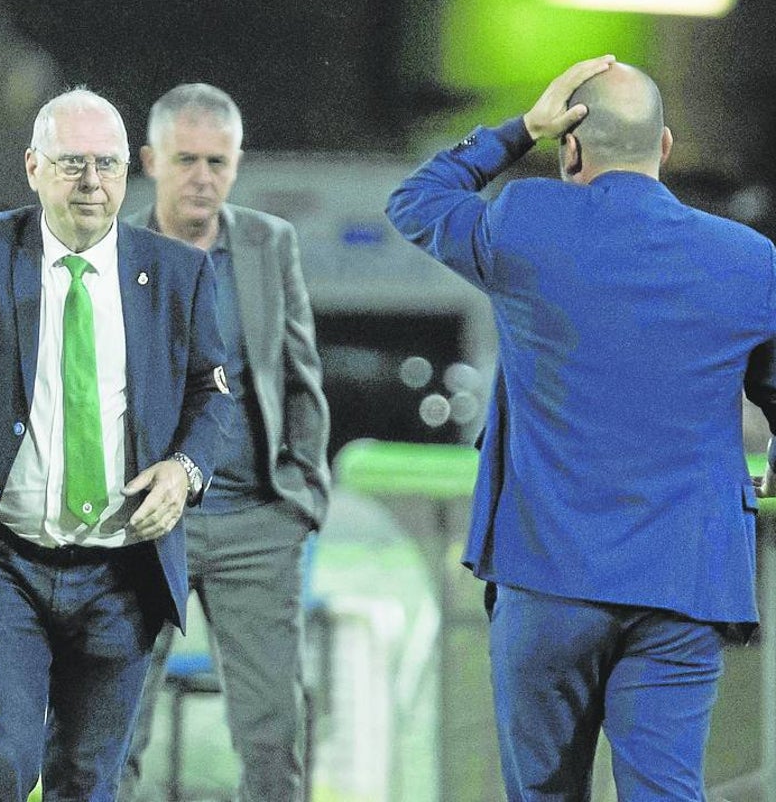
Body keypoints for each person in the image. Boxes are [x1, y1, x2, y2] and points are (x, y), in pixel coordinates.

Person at [385, 55, 776, 801]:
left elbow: (417, 199)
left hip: (546, 577)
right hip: (685, 582)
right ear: (663, 148)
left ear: (570, 147)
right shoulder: (751, 261)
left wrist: (518, 130)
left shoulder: (524, 222)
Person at [0, 87, 234, 801]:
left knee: (88, 781)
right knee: (0, 767)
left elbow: (212, 396)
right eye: (73, 163)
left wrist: (185, 469)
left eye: (108, 165)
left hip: (122, 574)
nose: (92, 182)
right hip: (5, 565)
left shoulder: (176, 273)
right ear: (32, 167)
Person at [119, 83, 330, 802]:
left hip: (256, 524)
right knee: (115, 730)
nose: (202, 176)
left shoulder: (271, 243)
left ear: (237, 164)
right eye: (186, 159)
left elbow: (302, 377)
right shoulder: (111, 250)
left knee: (274, 733)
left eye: (218, 160)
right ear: (151, 160)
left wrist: (302, 498)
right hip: (140, 524)